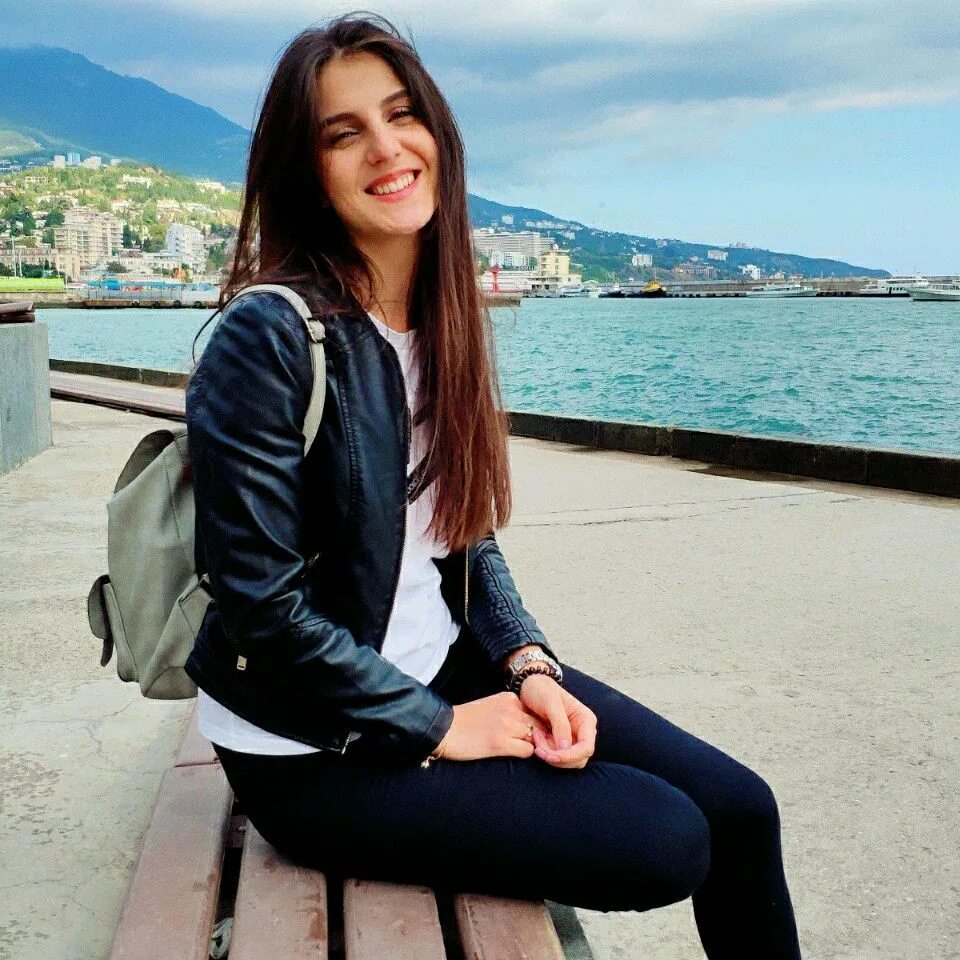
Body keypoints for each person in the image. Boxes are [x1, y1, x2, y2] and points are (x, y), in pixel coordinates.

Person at [185, 12, 803, 957]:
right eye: (344, 133)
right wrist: (437, 726)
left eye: (402, 115)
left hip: (440, 667)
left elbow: (459, 535)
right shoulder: (269, 336)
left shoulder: (437, 318)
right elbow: (261, 609)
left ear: (438, 129)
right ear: (305, 170)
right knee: (667, 839)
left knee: (741, 809)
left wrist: (528, 664)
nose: (386, 148)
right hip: (312, 748)